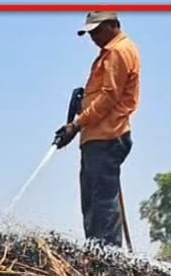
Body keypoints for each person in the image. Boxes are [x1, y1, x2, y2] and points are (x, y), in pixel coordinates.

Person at [53, 11, 141, 249]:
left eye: (97, 31)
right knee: (92, 199)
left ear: (113, 25)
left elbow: (109, 97)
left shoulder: (119, 51)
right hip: (96, 136)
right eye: (90, 33)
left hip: (108, 135)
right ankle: (96, 252)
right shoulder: (109, 54)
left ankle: (108, 256)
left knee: (102, 201)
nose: (93, 37)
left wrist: (77, 124)